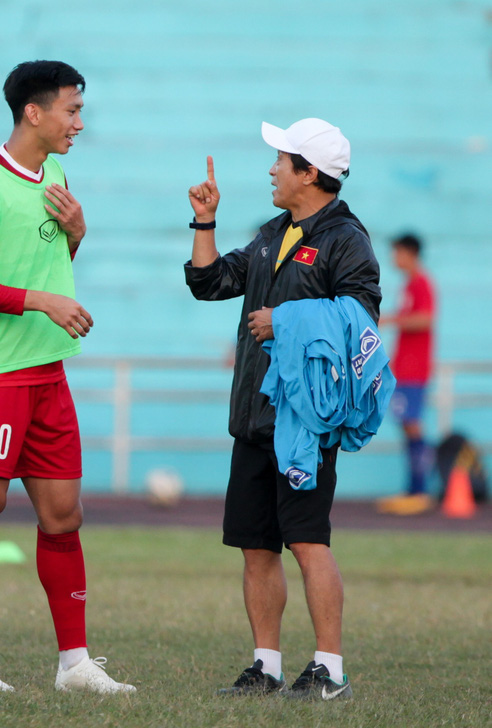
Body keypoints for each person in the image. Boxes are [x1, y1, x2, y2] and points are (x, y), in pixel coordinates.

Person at [0, 60, 135, 694]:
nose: (79, 122)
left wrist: (77, 235)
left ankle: (74, 664)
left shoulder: (54, 174)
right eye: (72, 110)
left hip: (47, 375)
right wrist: (42, 301)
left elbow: (45, 258)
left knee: (63, 514)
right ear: (35, 112)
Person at [185, 118, 382, 701]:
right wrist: (205, 220)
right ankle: (266, 666)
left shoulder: (348, 238)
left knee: (307, 540)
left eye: (281, 160)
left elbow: (363, 320)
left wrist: (286, 320)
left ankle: (329, 670)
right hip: (254, 418)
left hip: (304, 422)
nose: (271, 169)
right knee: (256, 545)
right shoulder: (274, 231)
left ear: (311, 172)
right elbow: (211, 282)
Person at [377, 233, 436, 515]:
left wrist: (390, 319)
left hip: (415, 370)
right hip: (404, 368)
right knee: (406, 425)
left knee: (413, 425)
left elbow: (425, 319)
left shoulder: (422, 283)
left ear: (410, 253)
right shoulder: (410, 284)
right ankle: (413, 488)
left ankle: (421, 490)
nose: (394, 259)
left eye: (397, 252)